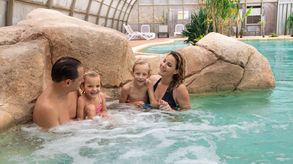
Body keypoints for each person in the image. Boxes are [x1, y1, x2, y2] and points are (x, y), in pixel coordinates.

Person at [33, 57, 84, 129]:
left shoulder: (73, 90)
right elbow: (57, 138)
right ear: (68, 82)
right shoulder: (48, 109)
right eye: (80, 79)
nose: (83, 81)